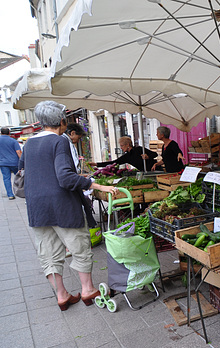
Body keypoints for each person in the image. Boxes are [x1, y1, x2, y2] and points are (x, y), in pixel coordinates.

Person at [19, 100, 118, 311]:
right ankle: (88, 289)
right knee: (79, 246)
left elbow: (23, 174)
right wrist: (94, 183)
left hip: (36, 207)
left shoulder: (29, 144)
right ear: (62, 121)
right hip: (61, 204)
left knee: (48, 252)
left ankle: (62, 295)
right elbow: (64, 177)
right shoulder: (59, 141)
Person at [89, 136, 157, 171]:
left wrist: (147, 156)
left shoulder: (139, 149)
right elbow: (114, 162)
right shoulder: (127, 156)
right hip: (145, 173)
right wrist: (96, 164)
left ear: (127, 145)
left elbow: (155, 154)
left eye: (122, 146)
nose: (121, 148)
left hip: (155, 170)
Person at [0, 127, 21, 199]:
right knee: (19, 177)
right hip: (14, 162)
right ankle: (20, 191)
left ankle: (10, 195)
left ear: (1, 132)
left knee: (6, 178)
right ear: (9, 133)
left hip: (3, 163)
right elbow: (18, 152)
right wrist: (22, 161)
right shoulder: (13, 141)